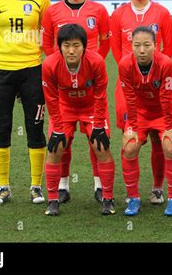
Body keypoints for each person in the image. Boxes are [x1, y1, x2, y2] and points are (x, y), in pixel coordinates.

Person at [0, 0, 50, 204]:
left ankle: (36, 186)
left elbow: (48, 31)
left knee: (35, 127)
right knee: (2, 128)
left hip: (33, 71)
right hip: (2, 72)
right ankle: (3, 187)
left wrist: (29, 55)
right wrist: (7, 54)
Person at [41, 0, 110, 204]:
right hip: (63, 90)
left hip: (90, 87)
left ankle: (99, 185)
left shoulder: (99, 11)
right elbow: (48, 43)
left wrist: (92, 66)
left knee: (97, 141)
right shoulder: (52, 11)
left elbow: (105, 41)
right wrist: (60, 68)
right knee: (62, 139)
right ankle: (62, 185)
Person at [110, 0, 172, 205]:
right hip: (128, 86)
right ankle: (131, 191)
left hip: (158, 86)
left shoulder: (162, 13)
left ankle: (158, 187)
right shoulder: (118, 15)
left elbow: (168, 47)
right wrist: (134, 74)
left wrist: (154, 75)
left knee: (159, 139)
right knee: (129, 137)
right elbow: (117, 51)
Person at [42, 24, 115, 216]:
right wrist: (57, 128)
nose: (71, 50)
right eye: (66, 45)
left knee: (101, 146)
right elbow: (50, 99)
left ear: (84, 46)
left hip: (92, 107)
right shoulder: (49, 64)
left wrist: (99, 125)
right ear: (60, 47)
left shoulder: (96, 62)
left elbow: (101, 96)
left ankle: (107, 197)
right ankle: (53, 199)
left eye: (76, 45)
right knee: (56, 147)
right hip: (64, 108)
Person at [119, 26, 172, 216]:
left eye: (147, 45)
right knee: (129, 147)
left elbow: (166, 96)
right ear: (131, 46)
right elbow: (129, 99)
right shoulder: (125, 64)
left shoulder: (165, 63)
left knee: (169, 147)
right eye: (137, 45)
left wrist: (170, 127)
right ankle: (134, 198)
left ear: (156, 45)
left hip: (165, 112)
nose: (142, 50)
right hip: (139, 113)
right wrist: (133, 129)